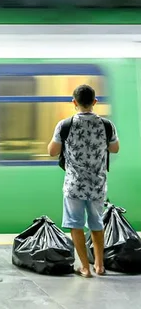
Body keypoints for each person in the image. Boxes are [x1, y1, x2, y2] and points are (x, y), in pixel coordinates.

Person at [48, 84, 119, 278]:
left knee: (75, 224)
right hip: (97, 185)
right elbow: (115, 149)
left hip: (74, 186)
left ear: (74, 102)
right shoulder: (106, 125)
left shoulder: (65, 124)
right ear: (95, 102)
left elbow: (52, 151)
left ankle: (85, 268)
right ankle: (99, 265)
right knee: (97, 223)